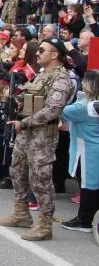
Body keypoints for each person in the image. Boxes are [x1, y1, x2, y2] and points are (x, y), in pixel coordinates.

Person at [0, 36, 73, 241]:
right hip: (27, 130)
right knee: (18, 170)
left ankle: (44, 224)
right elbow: (32, 96)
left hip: (42, 134)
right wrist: (20, 100)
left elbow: (53, 110)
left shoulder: (61, 77)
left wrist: (24, 122)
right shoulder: (41, 74)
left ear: (55, 54)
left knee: (40, 179)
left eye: (42, 50)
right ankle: (21, 213)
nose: (37, 53)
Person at [60, 70, 99, 233]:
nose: (82, 82)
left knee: (88, 186)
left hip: (87, 150)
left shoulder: (84, 106)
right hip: (93, 149)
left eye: (85, 80)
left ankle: (84, 220)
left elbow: (64, 111)